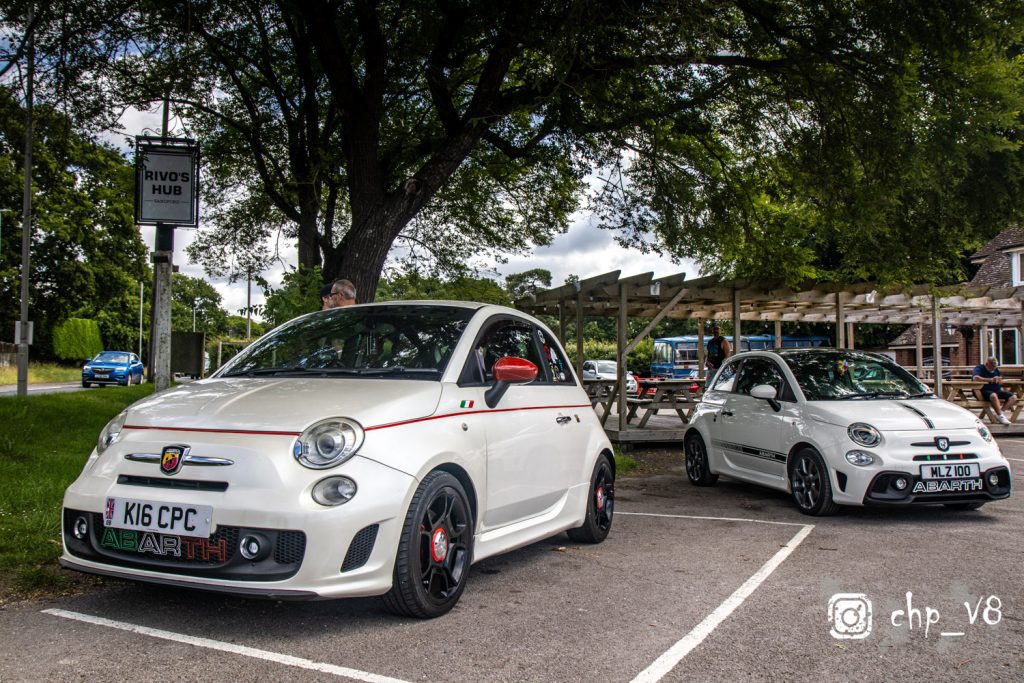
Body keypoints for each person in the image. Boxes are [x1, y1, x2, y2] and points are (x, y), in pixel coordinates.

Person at [972, 357, 1017, 425]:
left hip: (996, 390)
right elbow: (976, 378)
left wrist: (999, 380)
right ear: (987, 364)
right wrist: (990, 379)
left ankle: (1000, 414)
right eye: (992, 366)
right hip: (983, 391)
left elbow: (998, 379)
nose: (994, 368)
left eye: (995, 366)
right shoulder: (979, 368)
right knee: (993, 395)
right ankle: (1000, 416)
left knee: (1013, 397)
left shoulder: (996, 370)